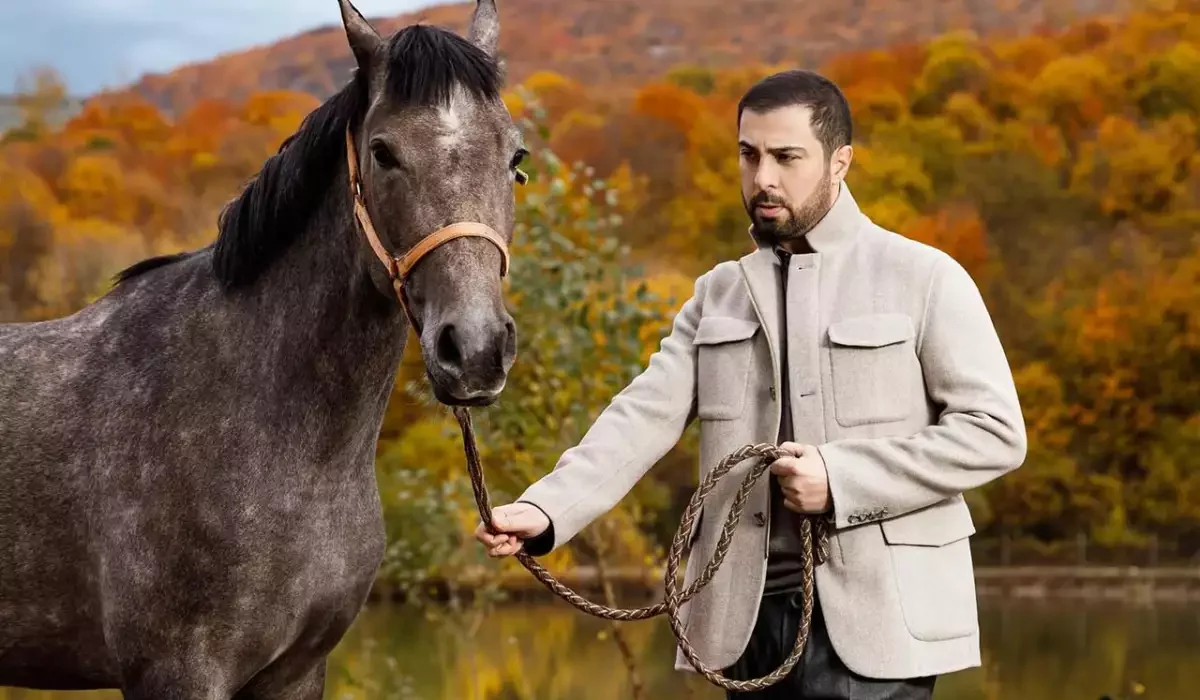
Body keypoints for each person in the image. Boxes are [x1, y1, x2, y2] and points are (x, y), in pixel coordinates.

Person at [474, 69, 1027, 698]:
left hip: (880, 628)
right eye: (749, 154)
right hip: (744, 627)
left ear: (840, 162)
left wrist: (842, 479)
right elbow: (643, 415)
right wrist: (545, 510)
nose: (763, 177)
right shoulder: (718, 293)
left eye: (787, 157)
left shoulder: (926, 277)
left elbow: (996, 433)